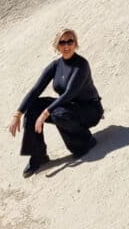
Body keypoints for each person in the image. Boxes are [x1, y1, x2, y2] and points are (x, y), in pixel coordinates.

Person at [9, 27, 103, 178]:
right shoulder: (56, 65)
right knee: (33, 107)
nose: (66, 45)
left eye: (70, 41)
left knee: (59, 114)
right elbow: (36, 90)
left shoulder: (81, 65)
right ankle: (38, 156)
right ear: (57, 45)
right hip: (69, 107)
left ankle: (85, 142)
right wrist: (18, 114)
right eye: (62, 42)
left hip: (90, 110)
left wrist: (45, 114)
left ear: (76, 43)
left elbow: (69, 93)